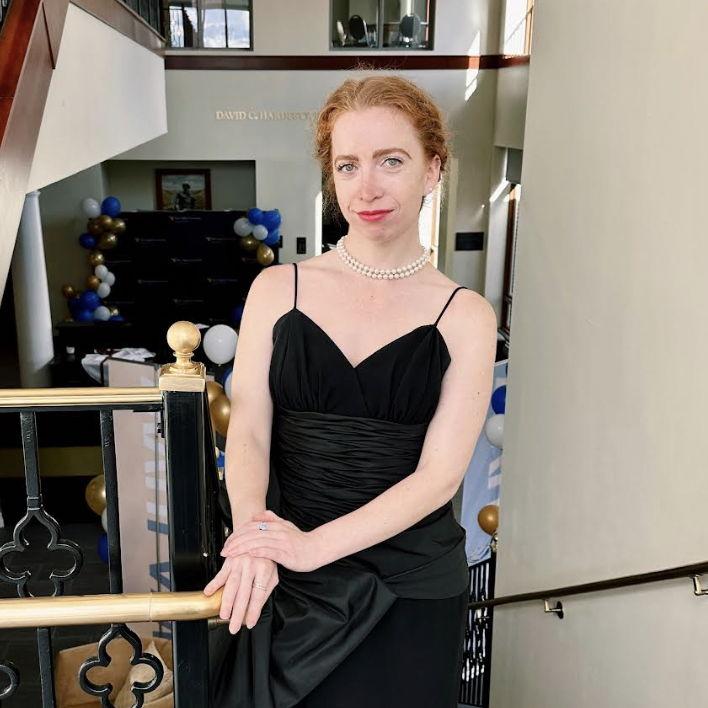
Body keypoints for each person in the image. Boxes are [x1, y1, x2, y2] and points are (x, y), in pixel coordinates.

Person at [203, 74, 497, 707]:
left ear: (432, 169)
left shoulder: (466, 314)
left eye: (391, 161)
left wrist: (312, 547)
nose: (366, 188)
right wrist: (257, 535)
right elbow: (248, 425)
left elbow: (440, 478)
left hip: (409, 583)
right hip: (284, 569)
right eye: (347, 165)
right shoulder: (278, 288)